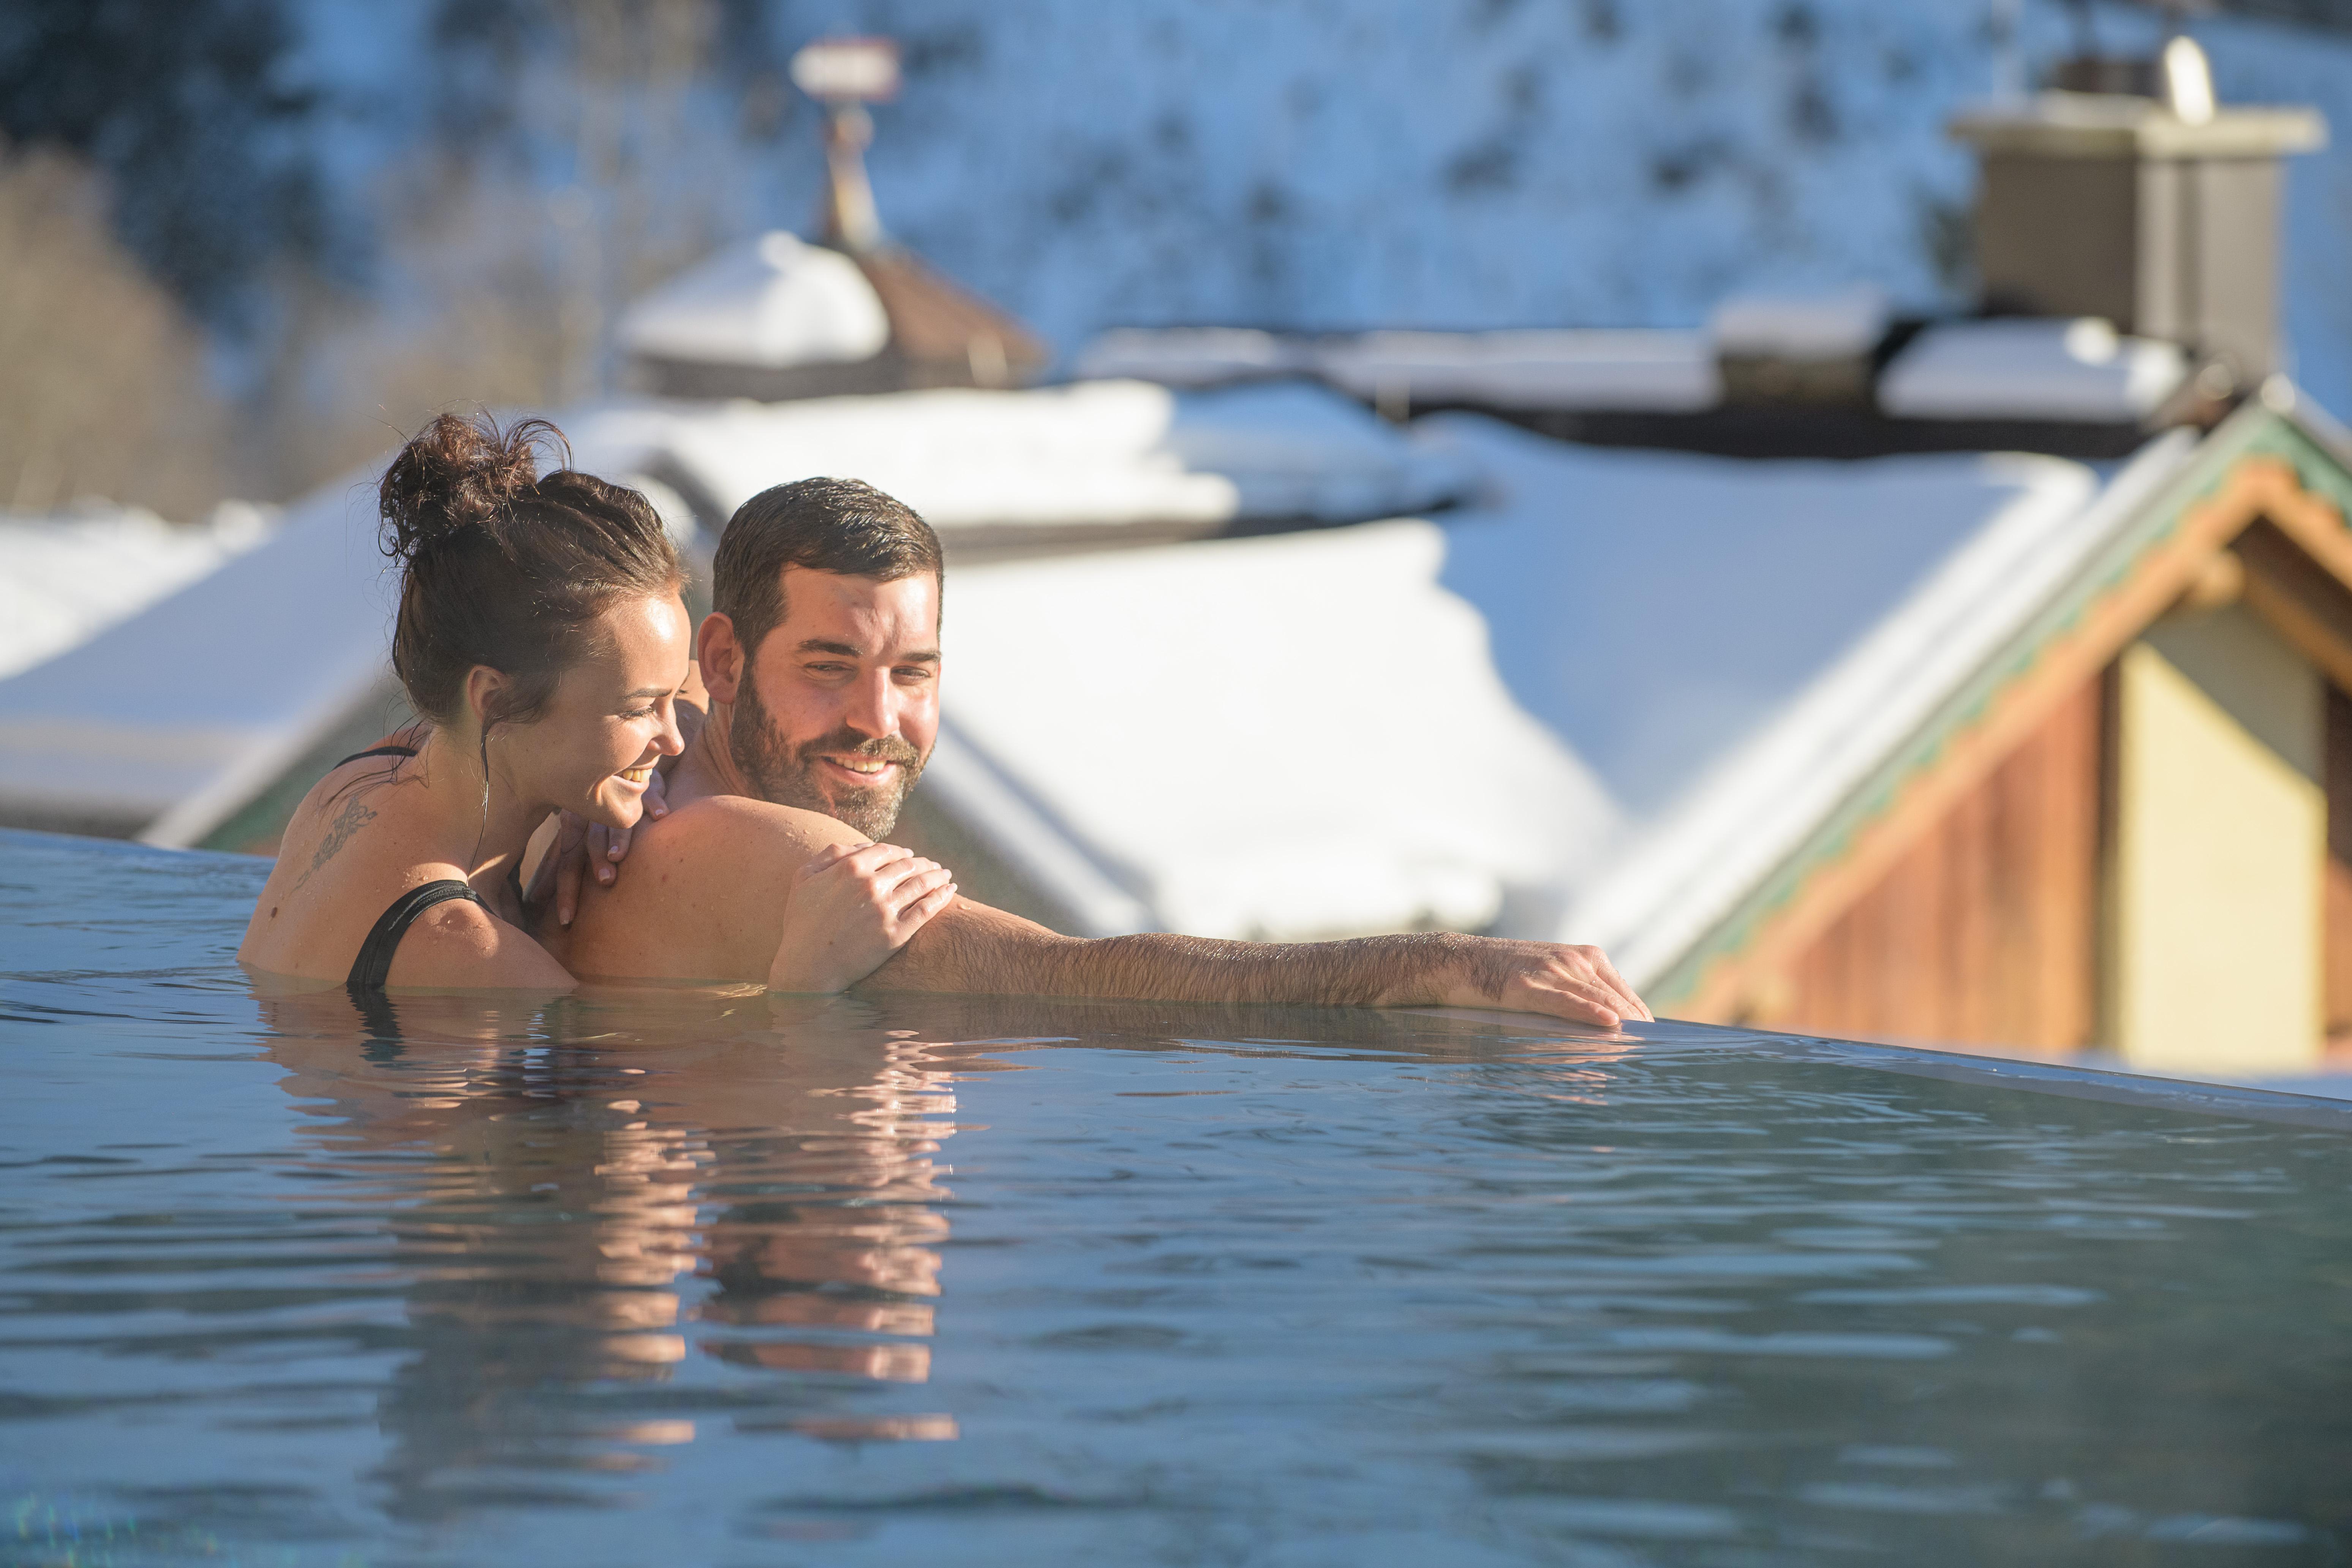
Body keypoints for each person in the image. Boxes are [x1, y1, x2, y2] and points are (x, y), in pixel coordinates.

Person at [548, 477, 1652, 1027]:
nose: (879, 719)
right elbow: (1073, 986)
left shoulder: (638, 781)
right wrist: (1436, 965)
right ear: (726, 659)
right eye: (830, 666)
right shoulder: (748, 846)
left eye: (914, 672)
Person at [237, 416, 957, 999]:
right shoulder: (476, 963)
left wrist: (603, 774)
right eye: (642, 708)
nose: (676, 740)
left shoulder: (365, 781)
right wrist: (805, 992)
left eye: (675, 697)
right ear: (497, 701)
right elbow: (612, 1125)